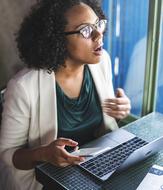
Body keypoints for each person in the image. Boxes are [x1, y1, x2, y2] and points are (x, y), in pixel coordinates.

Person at [0, 0, 131, 189]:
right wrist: (43, 154)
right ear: (57, 39)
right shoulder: (23, 88)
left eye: (99, 24)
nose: (98, 35)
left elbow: (105, 128)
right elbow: (8, 155)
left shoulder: (102, 62)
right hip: (45, 181)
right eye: (86, 30)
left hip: (93, 169)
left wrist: (120, 110)